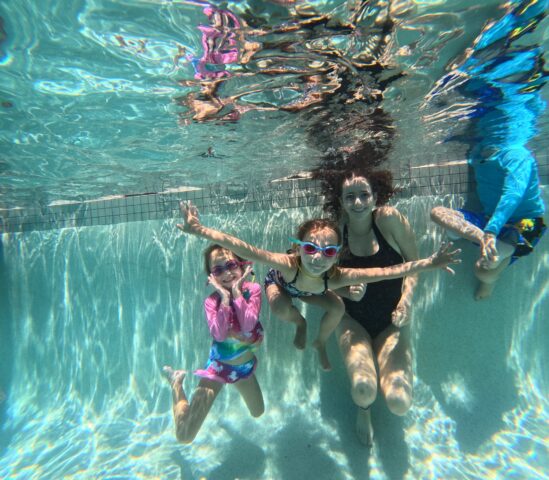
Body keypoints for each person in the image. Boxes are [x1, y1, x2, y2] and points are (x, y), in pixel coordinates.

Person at [177, 201, 461, 372]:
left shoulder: (336, 275)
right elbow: (248, 250)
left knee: (337, 306)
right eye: (311, 248)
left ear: (337, 254)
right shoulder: (289, 263)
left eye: (327, 252)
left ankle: (320, 342)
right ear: (299, 248)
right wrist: (201, 230)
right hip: (282, 285)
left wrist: (429, 262)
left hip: (312, 291)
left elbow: (388, 271)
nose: (317, 257)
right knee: (278, 308)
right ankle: (300, 324)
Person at [314, 166, 421, 446]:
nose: (358, 202)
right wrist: (347, 293)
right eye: (350, 197)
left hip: (392, 321)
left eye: (364, 195)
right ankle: (364, 412)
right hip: (352, 321)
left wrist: (407, 299)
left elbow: (414, 264)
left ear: (375, 197)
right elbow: (319, 280)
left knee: (400, 402)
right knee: (363, 390)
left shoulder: (389, 220)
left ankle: (376, 395)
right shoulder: (334, 230)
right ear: (340, 201)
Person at [162, 244, 264, 444]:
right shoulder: (212, 302)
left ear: (242, 266)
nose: (226, 273)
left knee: (258, 412)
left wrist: (236, 292)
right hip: (218, 370)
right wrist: (225, 298)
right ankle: (176, 384)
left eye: (231, 265)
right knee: (184, 435)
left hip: (244, 370)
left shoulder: (253, 290)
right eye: (218, 270)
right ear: (212, 277)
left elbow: (248, 323)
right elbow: (218, 334)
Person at [430, 146, 546, 300]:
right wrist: (485, 236)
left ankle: (503, 251)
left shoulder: (517, 154)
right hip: (489, 220)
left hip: (526, 221)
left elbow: (513, 194)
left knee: (482, 271)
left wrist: (491, 231)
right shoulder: (476, 152)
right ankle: (485, 242)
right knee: (438, 213)